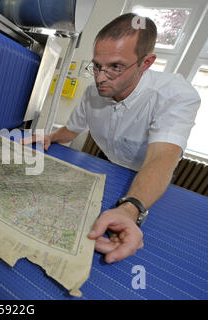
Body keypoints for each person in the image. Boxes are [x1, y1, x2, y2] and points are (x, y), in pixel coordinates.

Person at [21, 13, 201, 263]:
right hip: (111, 168)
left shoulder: (175, 94)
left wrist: (131, 209)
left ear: (146, 63)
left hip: (150, 182)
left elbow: (163, 157)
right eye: (96, 65)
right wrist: (50, 136)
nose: (100, 77)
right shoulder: (92, 93)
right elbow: (72, 130)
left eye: (115, 67)